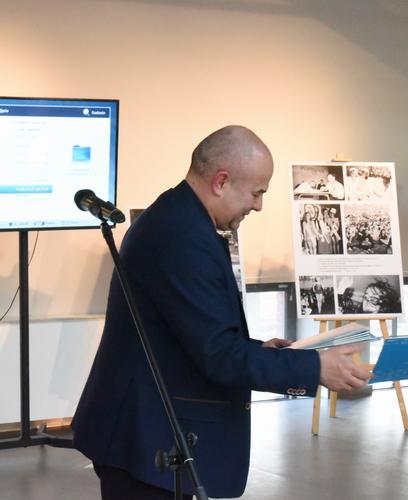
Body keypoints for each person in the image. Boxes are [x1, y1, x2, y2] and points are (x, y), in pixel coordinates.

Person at [72, 126, 371, 500]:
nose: (258, 206)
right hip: (147, 438)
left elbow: (192, 334)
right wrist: (314, 367)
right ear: (221, 181)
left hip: (149, 430)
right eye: (257, 192)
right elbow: (219, 355)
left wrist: (262, 351)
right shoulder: (182, 237)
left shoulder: (180, 218)